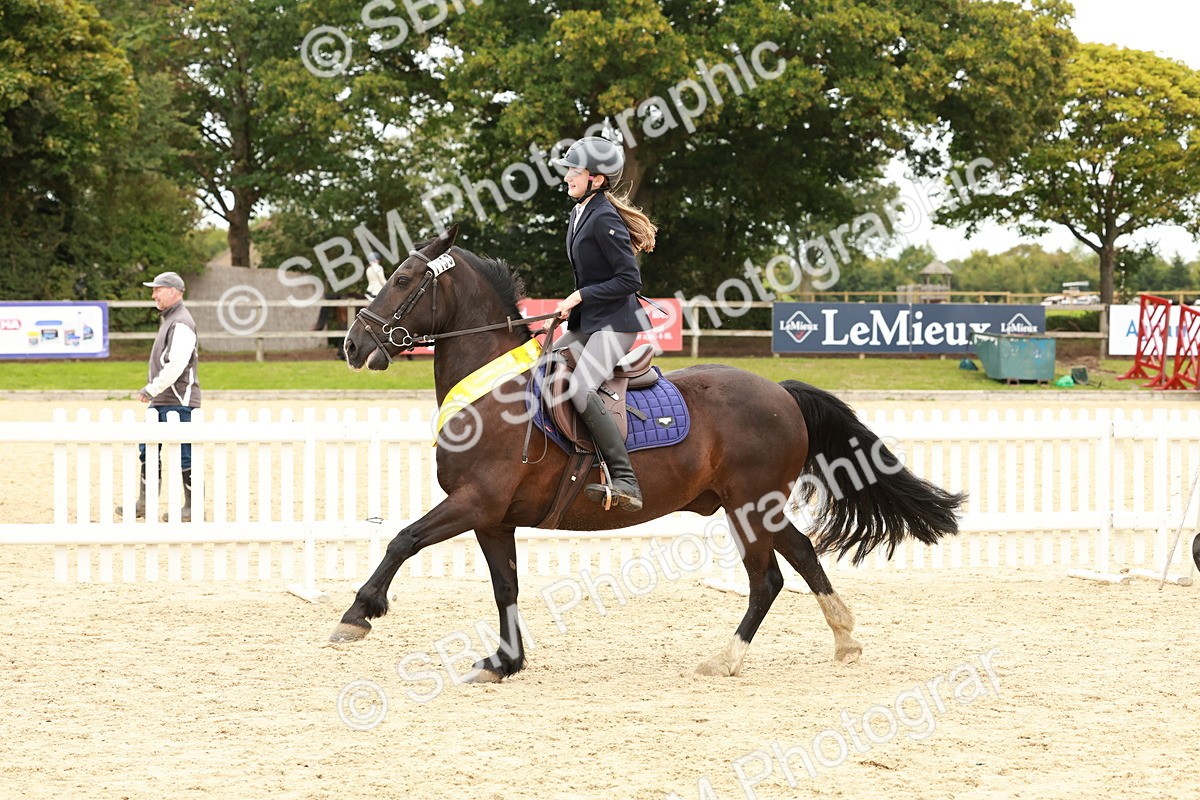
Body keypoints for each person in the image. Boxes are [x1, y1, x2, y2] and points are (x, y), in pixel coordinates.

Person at [549, 136, 657, 512]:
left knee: (580, 388)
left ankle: (625, 479)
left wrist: (580, 296)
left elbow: (629, 280)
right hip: (590, 321)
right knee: (543, 366)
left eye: (573, 171)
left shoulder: (604, 216)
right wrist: (573, 306)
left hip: (615, 324)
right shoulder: (581, 212)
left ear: (596, 178)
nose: (567, 177)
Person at [117, 271, 201, 522]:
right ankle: (144, 502)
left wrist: (151, 388)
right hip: (163, 400)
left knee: (185, 453)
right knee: (148, 449)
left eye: (158, 289)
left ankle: (192, 507)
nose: (153, 294)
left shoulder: (181, 322)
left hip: (179, 400)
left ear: (174, 292)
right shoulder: (170, 320)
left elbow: (177, 364)